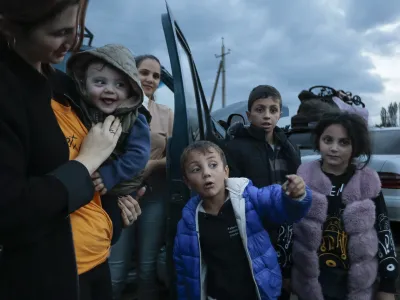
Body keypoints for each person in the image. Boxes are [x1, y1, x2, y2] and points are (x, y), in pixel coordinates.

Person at [0, 1, 141, 299]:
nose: (72, 42)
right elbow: (12, 210)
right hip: (47, 279)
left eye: (75, 28)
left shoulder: (63, 85)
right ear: (9, 26)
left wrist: (114, 214)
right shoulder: (10, 92)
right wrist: (88, 160)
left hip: (96, 265)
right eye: (59, 32)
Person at [174, 140, 312, 300]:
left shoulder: (247, 198)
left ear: (226, 171)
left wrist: (295, 195)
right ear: (187, 182)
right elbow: (185, 274)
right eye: (196, 169)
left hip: (257, 293)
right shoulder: (188, 224)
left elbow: (275, 201)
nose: (206, 173)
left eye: (212, 165)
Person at [291, 112, 398, 300]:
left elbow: (383, 230)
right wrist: (284, 271)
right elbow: (288, 226)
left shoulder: (368, 183)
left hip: (355, 283)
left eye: (343, 142)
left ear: (355, 147)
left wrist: (388, 282)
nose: (334, 148)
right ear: (318, 141)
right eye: (328, 140)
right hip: (312, 280)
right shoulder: (304, 180)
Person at [66, 43, 151, 243]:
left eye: (120, 84)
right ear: (83, 83)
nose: (110, 90)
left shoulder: (135, 119)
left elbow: (139, 155)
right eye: (100, 82)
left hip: (116, 185)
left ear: (131, 89)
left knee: (111, 225)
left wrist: (110, 174)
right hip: (84, 185)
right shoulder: (77, 109)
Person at [223, 85, 301, 299]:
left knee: (281, 286)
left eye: (273, 110)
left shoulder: (289, 147)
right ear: (249, 114)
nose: (267, 115)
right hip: (253, 229)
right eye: (260, 109)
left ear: (279, 114)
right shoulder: (235, 148)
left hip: (284, 229)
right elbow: (234, 193)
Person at [108, 54, 174, 300]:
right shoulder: (113, 106)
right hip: (119, 197)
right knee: (116, 269)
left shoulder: (166, 113)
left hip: (154, 197)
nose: (150, 79)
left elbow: (177, 157)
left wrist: (153, 165)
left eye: (156, 76)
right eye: (144, 72)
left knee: (147, 268)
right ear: (131, 73)